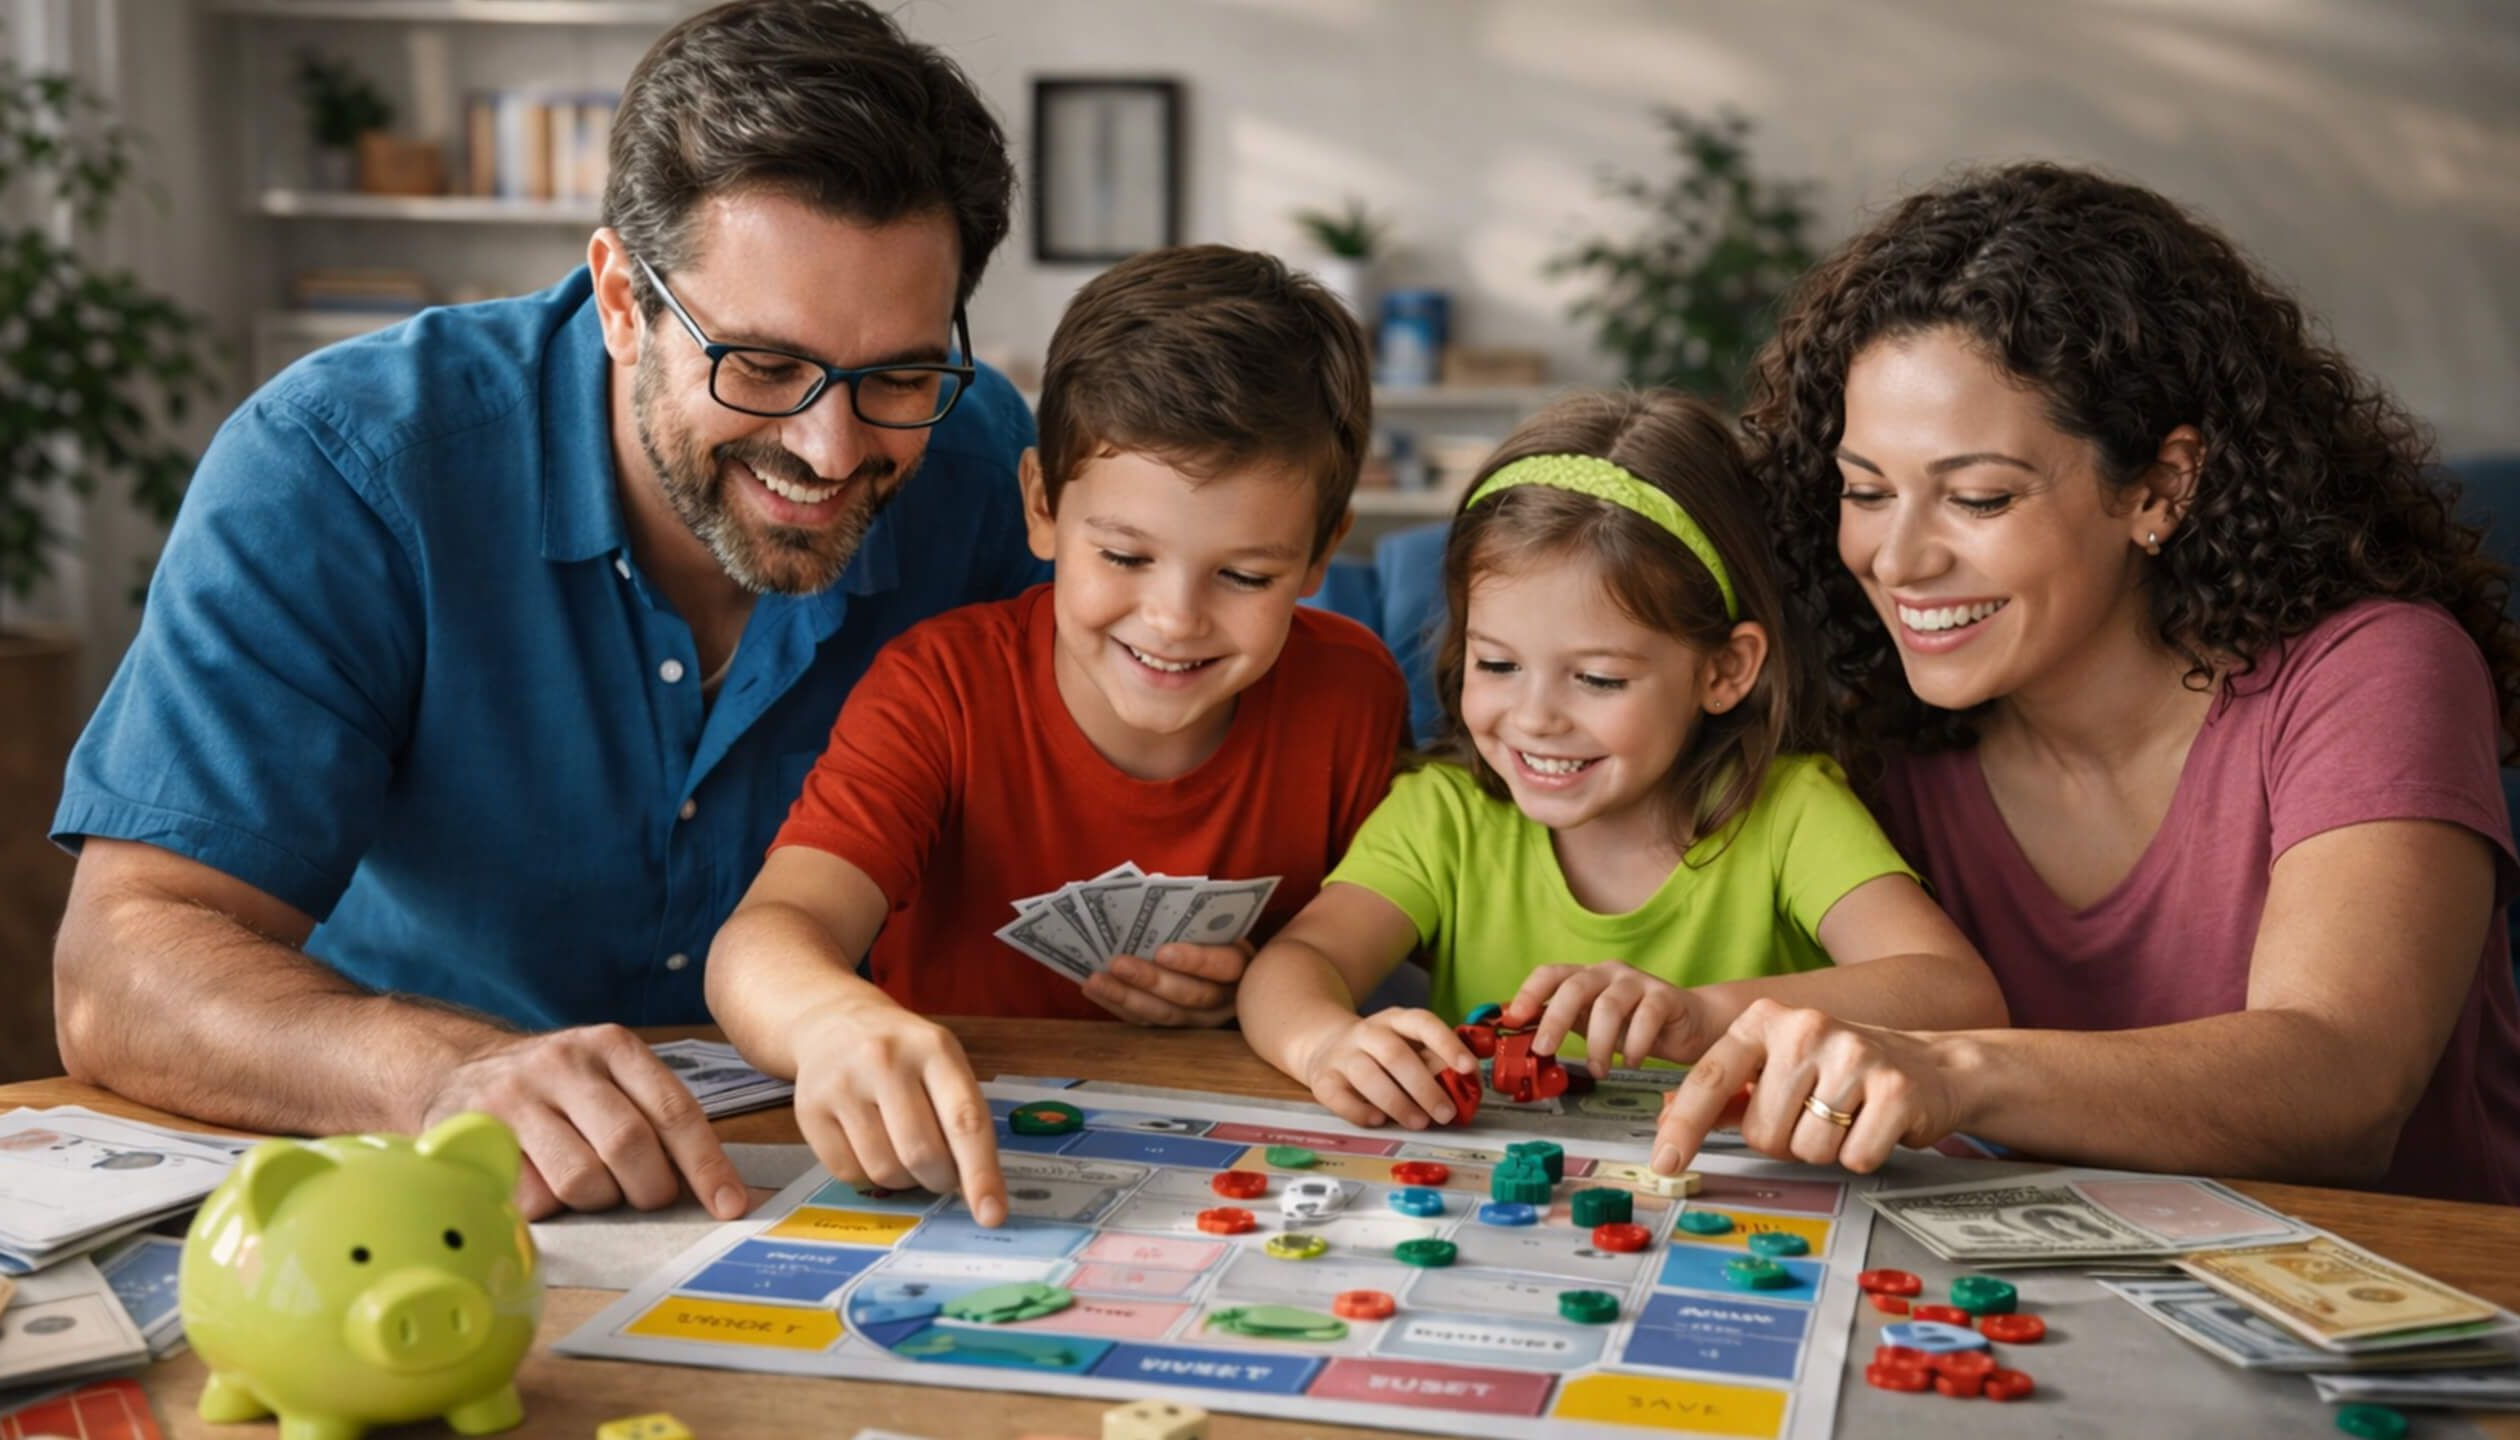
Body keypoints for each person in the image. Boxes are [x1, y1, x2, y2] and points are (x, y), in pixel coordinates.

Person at [47, 0, 1048, 1221]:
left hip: (841, 1175)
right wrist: (447, 1072)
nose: (830, 448)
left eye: (894, 374)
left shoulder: (985, 463)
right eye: (763, 367)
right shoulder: (343, 466)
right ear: (622, 300)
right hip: (414, 1171)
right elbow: (119, 970)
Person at [1655, 162, 2520, 1204]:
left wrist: (1951, 1066)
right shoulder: (1865, 719)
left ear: (2158, 487)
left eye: (1976, 498)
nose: (1898, 558)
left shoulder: (2371, 672)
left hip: (2407, 1306)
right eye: (1865, 491)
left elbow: (2343, 1085)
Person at [708, 245, 1405, 1225]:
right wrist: (831, 1020)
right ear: (1041, 507)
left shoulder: (1352, 694)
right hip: (961, 1175)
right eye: (1123, 555)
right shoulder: (940, 687)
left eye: (1244, 576)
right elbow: (762, 941)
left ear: (1323, 553)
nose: (1173, 619)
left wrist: (1271, 994)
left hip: (1250, 1185)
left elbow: (1385, 941)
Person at [1235, 392, 2005, 1132]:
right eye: (1497, 665)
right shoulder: (1443, 814)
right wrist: (1326, 1042)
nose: (1535, 718)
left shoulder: (1790, 811)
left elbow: (1957, 995)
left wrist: (1702, 1014)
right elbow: (1296, 963)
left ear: (1724, 671)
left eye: (1599, 679)